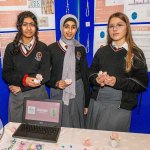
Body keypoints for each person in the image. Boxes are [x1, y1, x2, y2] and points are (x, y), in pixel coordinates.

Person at [87, 12, 149, 132]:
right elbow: (90, 73)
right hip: (96, 104)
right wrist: (96, 79)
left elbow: (142, 83)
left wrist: (117, 82)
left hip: (119, 108)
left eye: (119, 25)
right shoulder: (101, 51)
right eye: (111, 26)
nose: (115, 29)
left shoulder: (136, 53)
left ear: (127, 28)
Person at [2, 11, 50, 123]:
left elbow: (46, 75)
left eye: (32, 24)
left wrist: (23, 86)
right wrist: (24, 80)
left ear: (36, 27)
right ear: (19, 27)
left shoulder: (42, 48)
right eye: (25, 24)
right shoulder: (11, 48)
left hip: (38, 96)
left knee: (40, 133)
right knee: (17, 134)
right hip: (18, 98)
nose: (29, 28)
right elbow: (6, 74)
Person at [47, 14, 90, 128]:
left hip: (78, 91)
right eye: (66, 26)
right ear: (61, 27)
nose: (70, 30)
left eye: (73, 27)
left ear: (76, 29)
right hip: (58, 92)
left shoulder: (80, 48)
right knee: (60, 125)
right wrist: (56, 83)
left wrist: (87, 103)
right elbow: (45, 76)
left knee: (77, 124)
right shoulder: (51, 49)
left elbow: (85, 76)